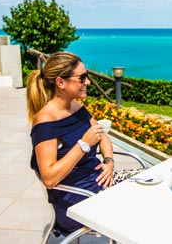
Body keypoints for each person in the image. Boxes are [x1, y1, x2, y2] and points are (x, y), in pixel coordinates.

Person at [27, 51, 141, 236]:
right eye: (82, 78)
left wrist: (109, 162)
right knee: (141, 206)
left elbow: (101, 136)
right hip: (79, 200)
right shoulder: (45, 122)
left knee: (150, 185)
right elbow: (49, 178)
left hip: (100, 184)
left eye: (86, 76)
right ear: (60, 82)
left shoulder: (76, 107)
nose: (87, 82)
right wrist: (83, 145)